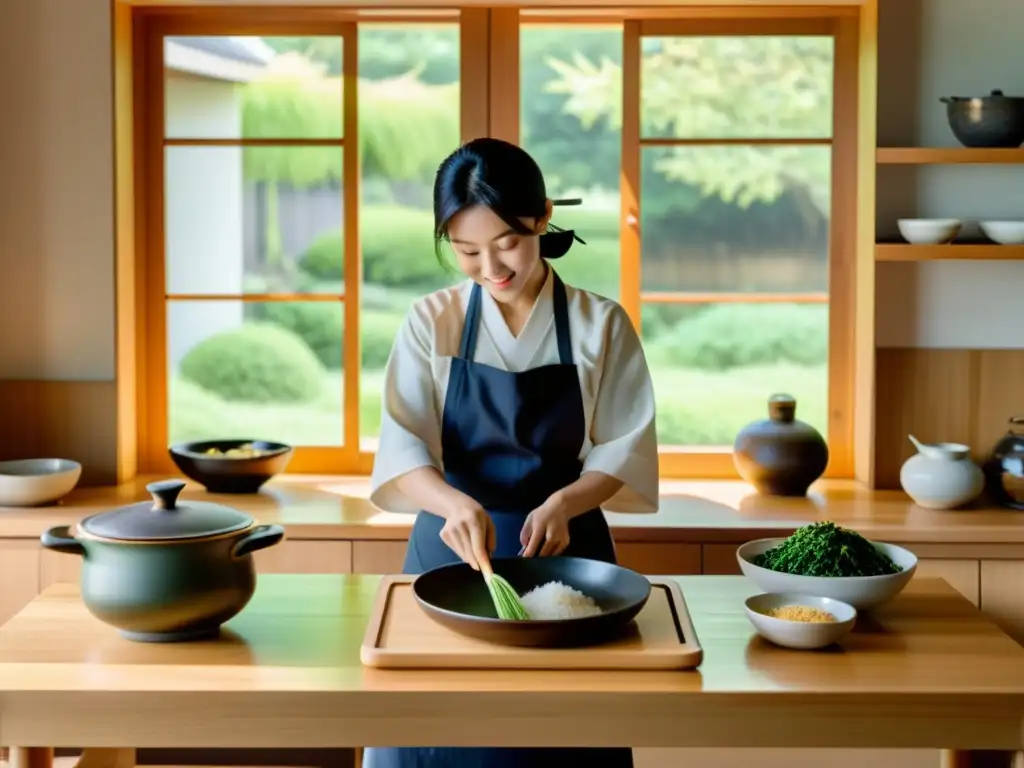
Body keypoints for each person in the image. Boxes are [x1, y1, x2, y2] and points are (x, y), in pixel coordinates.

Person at [364, 137, 659, 768]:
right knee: (437, 734)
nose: (491, 267)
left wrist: (567, 500)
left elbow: (622, 446)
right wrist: (450, 503)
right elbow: (402, 446)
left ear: (542, 217)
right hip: (448, 554)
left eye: (507, 244)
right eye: (468, 251)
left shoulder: (598, 324)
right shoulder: (430, 322)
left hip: (566, 557)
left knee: (561, 741)